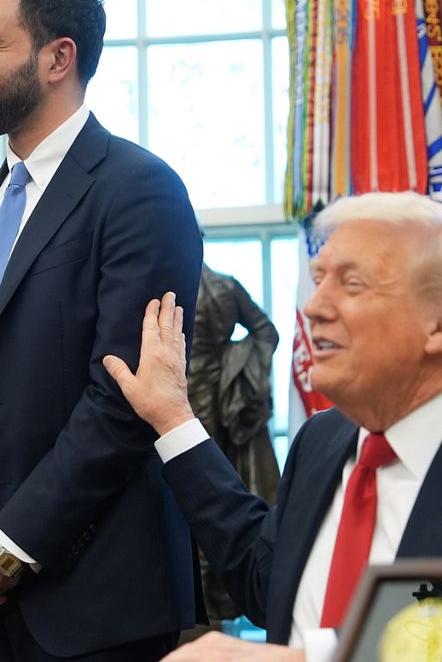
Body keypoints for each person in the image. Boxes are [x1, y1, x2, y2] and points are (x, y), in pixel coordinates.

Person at [104, 192, 442, 661]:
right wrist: (173, 417)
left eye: (352, 284)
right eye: (319, 280)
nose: (314, 308)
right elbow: (268, 583)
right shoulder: (324, 440)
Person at [0, 0, 204, 661]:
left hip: (94, 602)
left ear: (57, 56)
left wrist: (8, 553)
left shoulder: (139, 192)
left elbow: (122, 402)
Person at [188, 264, 280, 624]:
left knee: (212, 498)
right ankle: (203, 602)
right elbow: (266, 332)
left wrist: (236, 369)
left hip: (220, 404)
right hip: (179, 398)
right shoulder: (224, 285)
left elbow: (264, 332)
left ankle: (214, 603)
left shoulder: (221, 286)